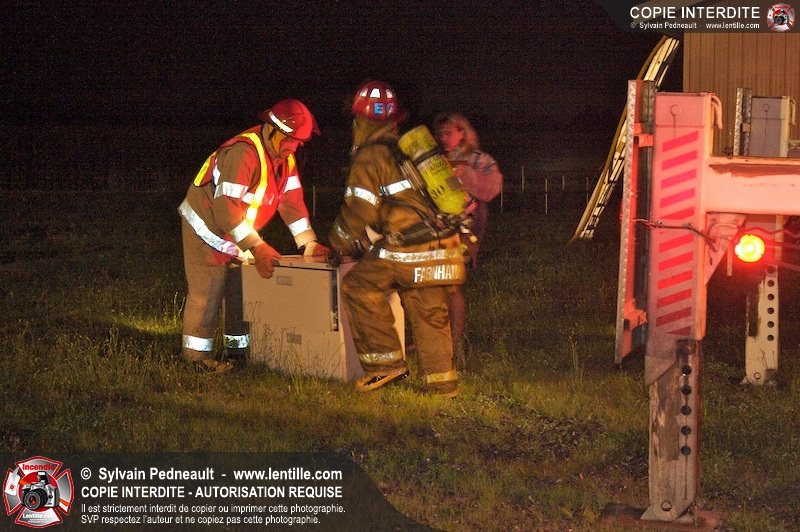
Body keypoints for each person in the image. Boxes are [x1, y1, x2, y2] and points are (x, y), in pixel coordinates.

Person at [329, 81, 465, 397]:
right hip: (444, 246)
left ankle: (385, 366)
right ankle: (443, 384)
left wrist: (338, 243)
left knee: (358, 287)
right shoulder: (411, 150)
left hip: (407, 249)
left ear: (360, 121)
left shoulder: (370, 156)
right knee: (429, 312)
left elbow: (358, 210)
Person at [178, 99, 329, 372]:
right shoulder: (243, 153)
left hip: (237, 234)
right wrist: (257, 247)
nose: (293, 147)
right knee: (208, 292)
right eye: (290, 140)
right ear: (272, 129)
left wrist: (309, 244)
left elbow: (292, 204)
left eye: (298, 142)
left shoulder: (284, 158)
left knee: (240, 293)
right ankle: (196, 361)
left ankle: (238, 354)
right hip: (206, 229)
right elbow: (225, 209)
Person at [433, 113, 503, 358]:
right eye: (440, 134)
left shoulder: (480, 159)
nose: (444, 138)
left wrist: (467, 175)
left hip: (465, 231)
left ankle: (454, 344)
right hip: (435, 230)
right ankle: (436, 339)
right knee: (434, 286)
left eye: (448, 133)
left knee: (453, 286)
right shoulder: (436, 160)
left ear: (462, 132)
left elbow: (492, 188)